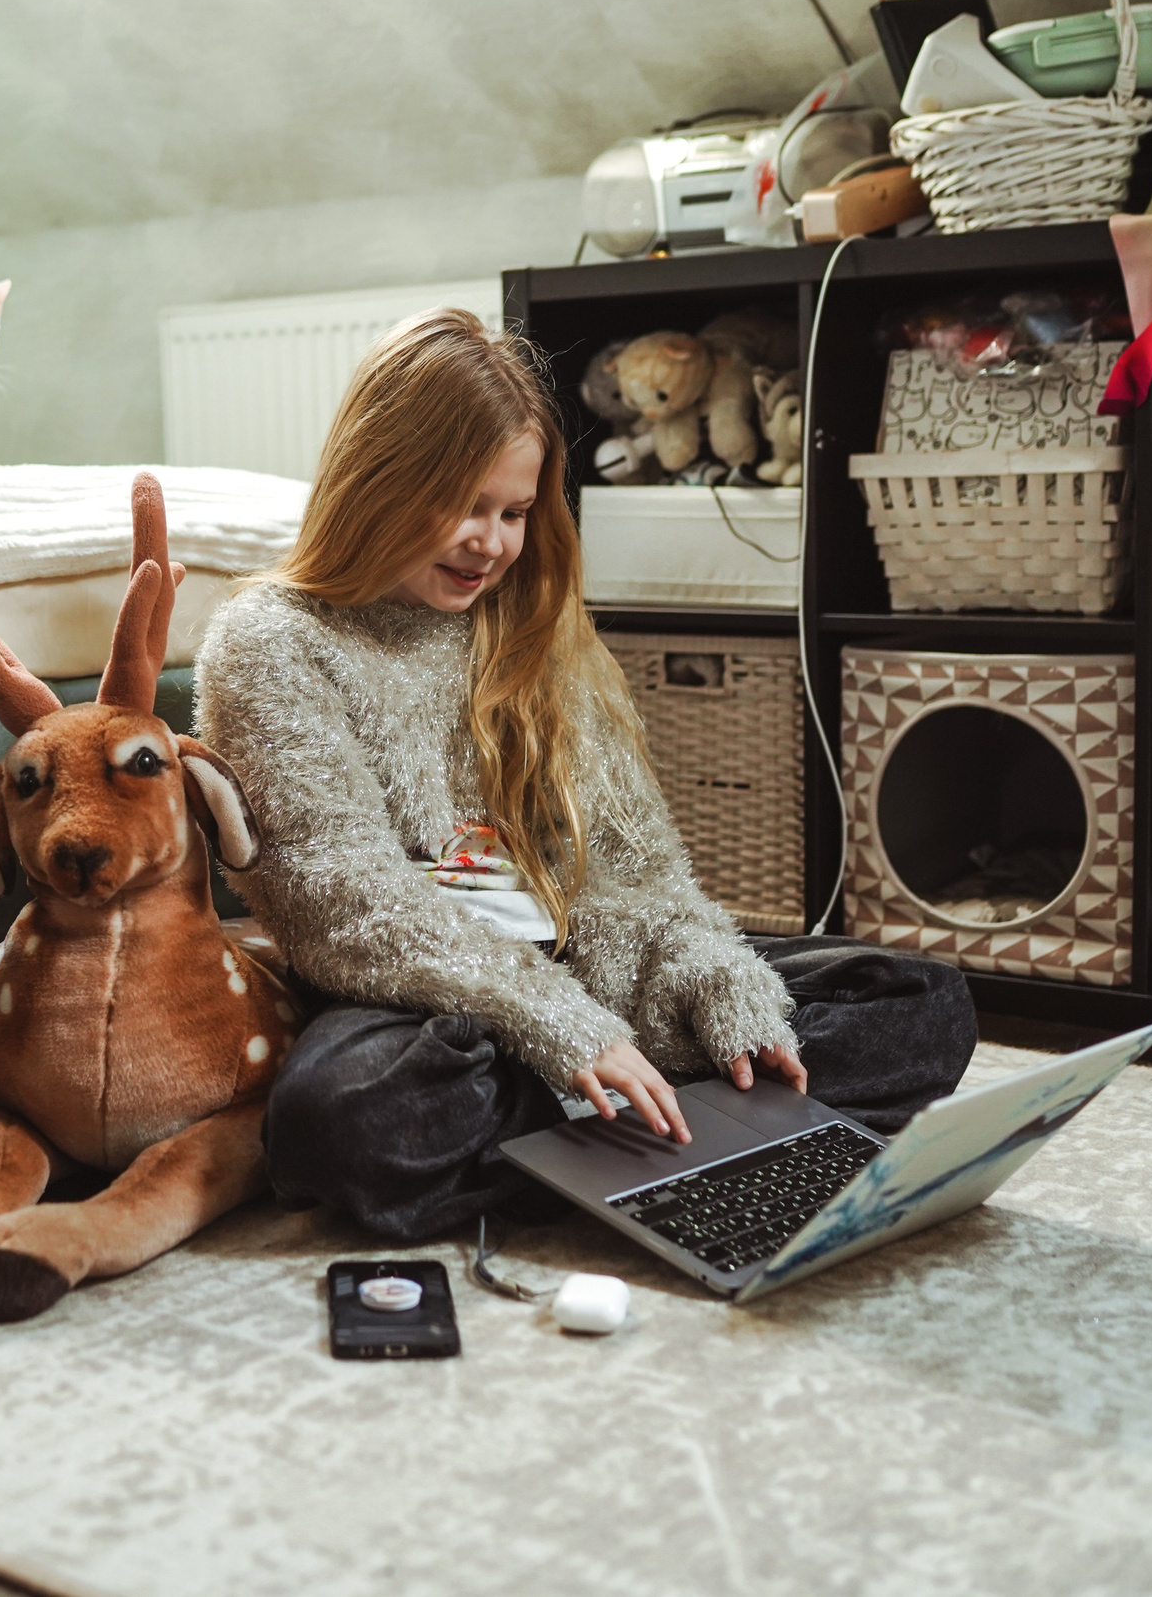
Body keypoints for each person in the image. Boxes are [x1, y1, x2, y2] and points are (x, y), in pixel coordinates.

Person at [193, 309, 976, 1241]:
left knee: (926, 1006)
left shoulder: (530, 620)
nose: (491, 542)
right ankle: (674, 1126)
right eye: (462, 504)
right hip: (437, 1009)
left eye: (515, 512)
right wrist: (555, 1023)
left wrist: (710, 978)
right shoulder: (272, 641)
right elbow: (342, 898)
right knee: (341, 1120)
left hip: (599, 973)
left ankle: (605, 1132)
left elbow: (638, 870)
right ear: (381, 480)